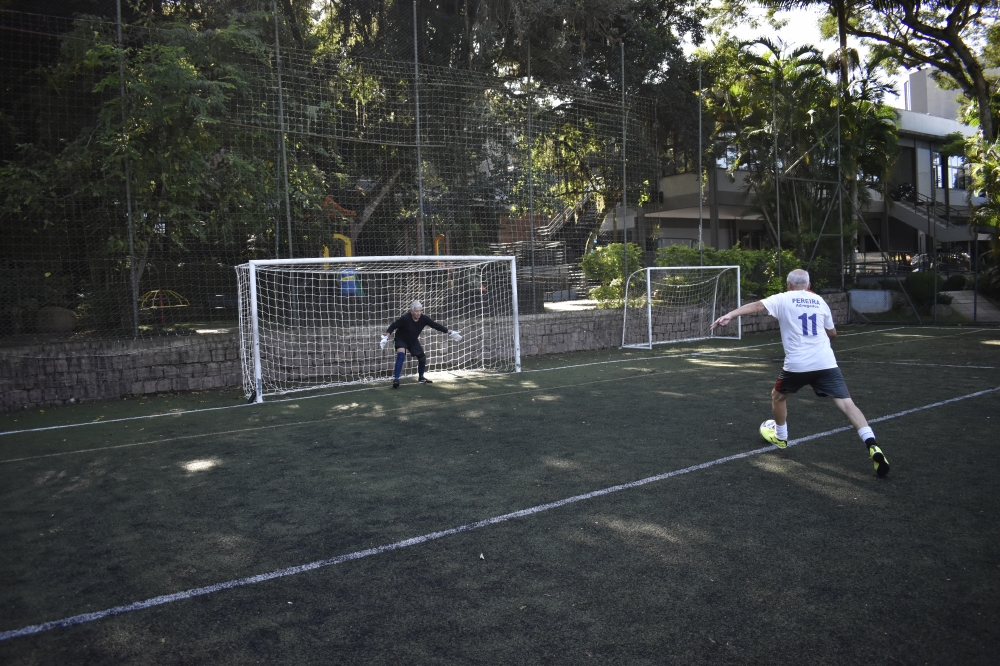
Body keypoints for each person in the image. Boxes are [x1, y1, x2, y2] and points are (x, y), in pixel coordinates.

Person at [710, 269, 889, 477]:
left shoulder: (783, 298)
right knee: (848, 405)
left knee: (777, 397)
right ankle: (872, 444)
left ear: (788, 284)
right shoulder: (820, 301)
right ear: (809, 284)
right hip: (826, 363)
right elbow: (832, 333)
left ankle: (781, 436)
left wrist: (729, 315)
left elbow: (757, 306)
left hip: (797, 365)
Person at [381, 301, 461, 389]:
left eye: (420, 311)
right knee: (401, 355)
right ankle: (396, 379)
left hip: (412, 340)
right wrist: (386, 337)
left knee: (422, 358)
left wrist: (450, 332)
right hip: (401, 339)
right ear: (411, 311)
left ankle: (421, 378)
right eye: (416, 311)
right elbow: (393, 326)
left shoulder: (424, 318)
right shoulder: (405, 318)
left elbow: (435, 325)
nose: (419, 313)